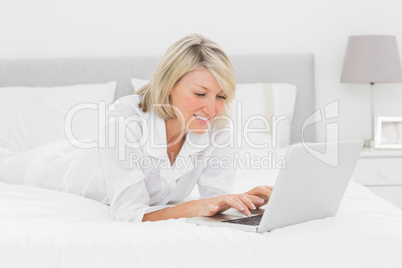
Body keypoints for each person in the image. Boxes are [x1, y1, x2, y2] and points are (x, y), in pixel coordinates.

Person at [0, 34, 272, 222]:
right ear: (168, 86)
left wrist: (239, 201)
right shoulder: (124, 120)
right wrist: (191, 208)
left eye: (221, 96)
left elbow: (215, 199)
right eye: (200, 94)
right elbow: (130, 213)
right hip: (54, 167)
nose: (212, 109)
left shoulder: (218, 126)